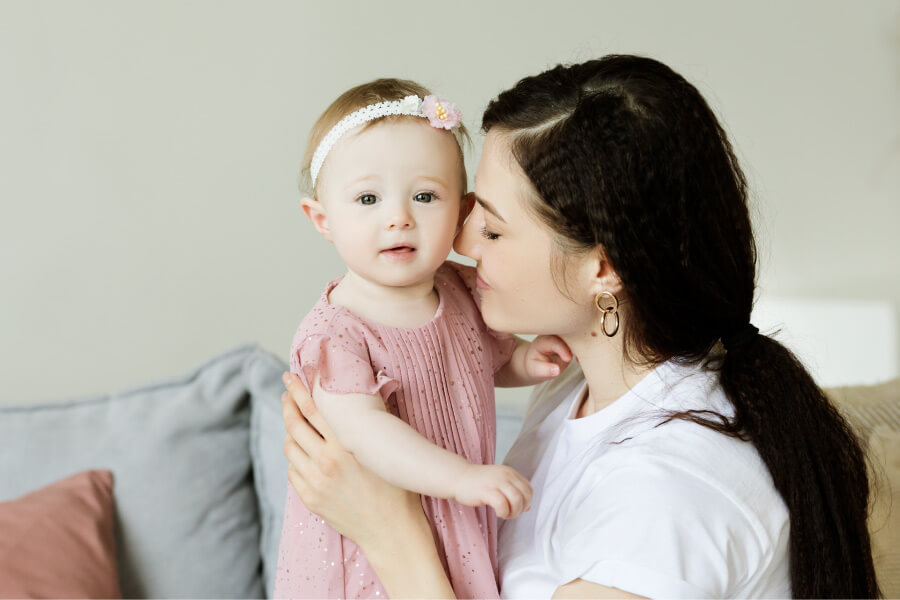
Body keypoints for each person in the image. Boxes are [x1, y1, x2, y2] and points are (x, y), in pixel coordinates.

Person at [280, 56, 880, 599]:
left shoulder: (664, 498)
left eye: (489, 228)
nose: (457, 243)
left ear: (602, 266)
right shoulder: (579, 387)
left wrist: (390, 533)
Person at [274, 78, 572, 599]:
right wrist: (460, 478)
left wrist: (525, 359)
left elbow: (480, 362)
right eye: (368, 197)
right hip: (367, 543)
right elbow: (365, 433)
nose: (398, 217)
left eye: (425, 196)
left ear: (462, 213)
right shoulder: (335, 334)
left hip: (453, 518)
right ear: (321, 219)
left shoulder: (459, 289)